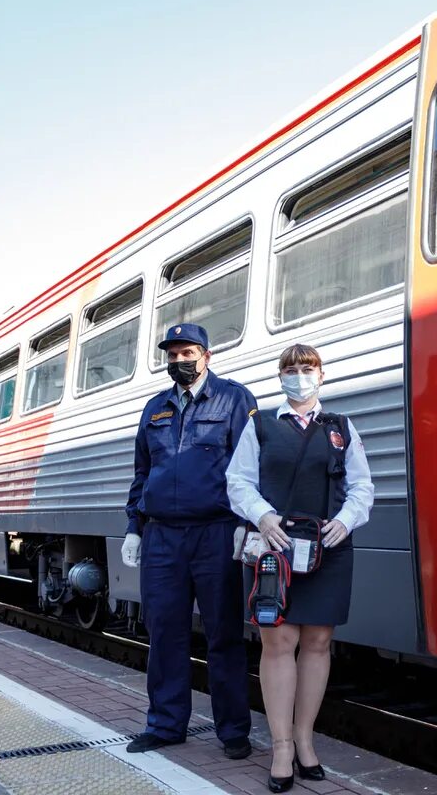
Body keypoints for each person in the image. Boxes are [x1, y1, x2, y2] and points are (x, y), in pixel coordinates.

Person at [226, 343, 374, 792]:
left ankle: (306, 739)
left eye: (307, 368)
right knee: (279, 641)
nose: (299, 375)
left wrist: (346, 522)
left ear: (322, 375)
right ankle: (282, 746)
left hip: (327, 547)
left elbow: (362, 487)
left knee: (317, 640)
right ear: (280, 377)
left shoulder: (341, 428)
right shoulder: (261, 426)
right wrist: (264, 517)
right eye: (290, 369)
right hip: (275, 547)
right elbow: (238, 481)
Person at [120, 323, 256, 758]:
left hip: (216, 533)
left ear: (207, 355)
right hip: (162, 537)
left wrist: (245, 525)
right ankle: (164, 724)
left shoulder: (235, 399)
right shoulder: (154, 408)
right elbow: (143, 472)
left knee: (224, 634)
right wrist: (133, 526)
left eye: (187, 352)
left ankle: (233, 730)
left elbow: (250, 467)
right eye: (172, 354)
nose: (179, 361)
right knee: (164, 633)